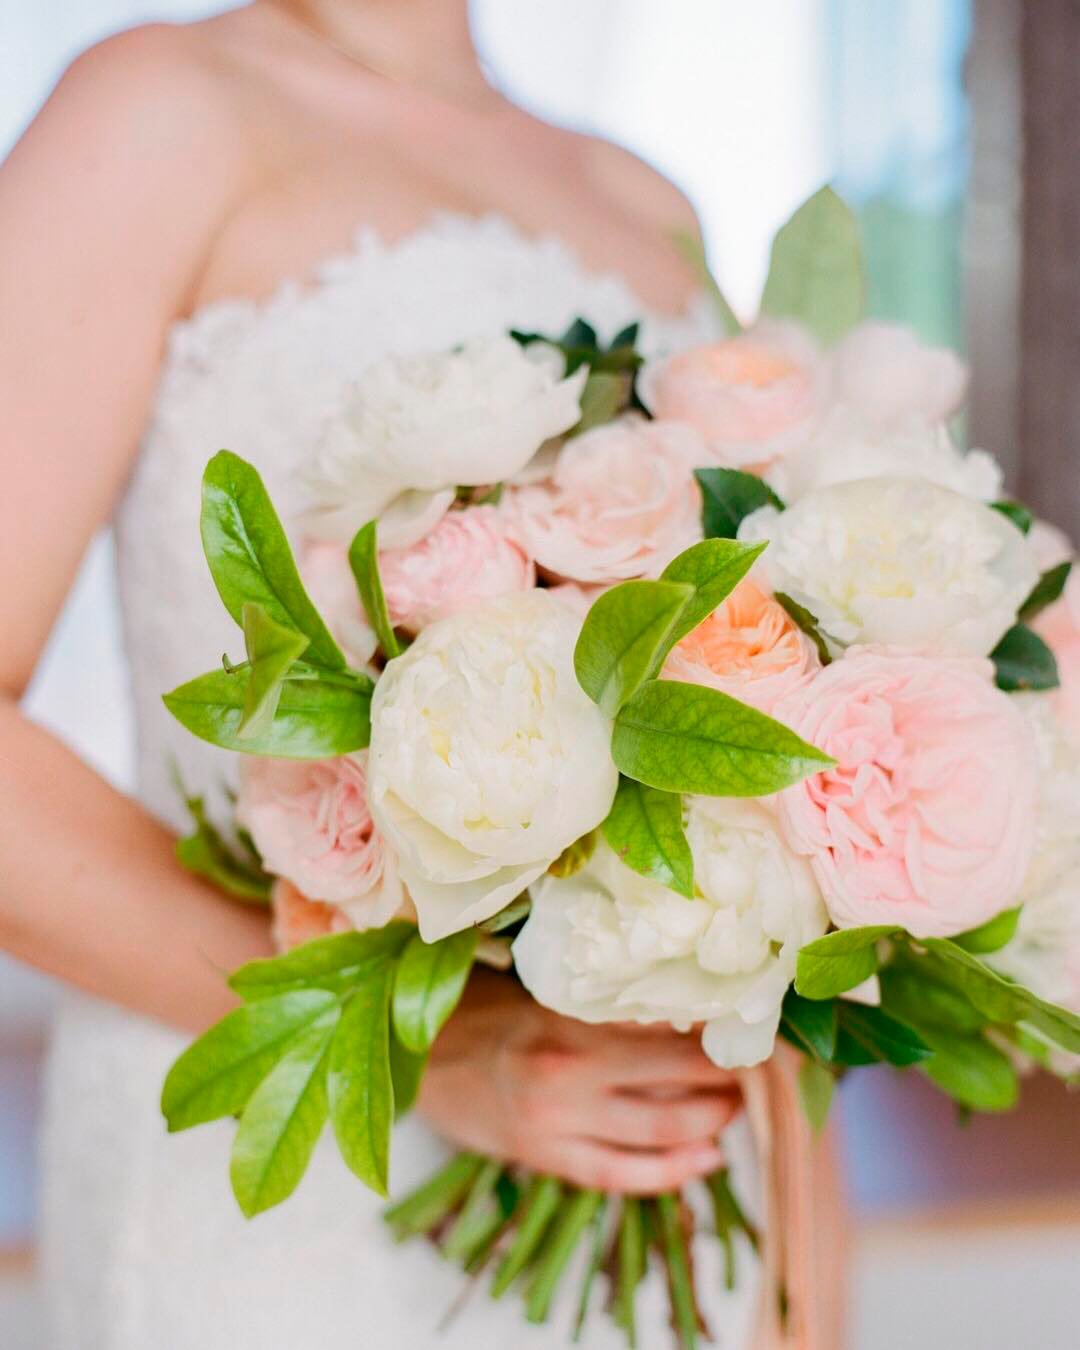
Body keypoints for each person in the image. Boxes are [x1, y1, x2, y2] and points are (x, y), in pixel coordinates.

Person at [0, 4, 836, 1345]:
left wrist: (802, 1293)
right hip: (305, 1211)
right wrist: (431, 1050)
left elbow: (784, 863)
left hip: (678, 1207)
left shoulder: (640, 197)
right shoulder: (156, 112)